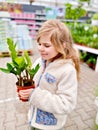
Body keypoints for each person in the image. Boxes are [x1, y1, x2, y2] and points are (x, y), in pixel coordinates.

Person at [18, 19, 80, 130]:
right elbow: (33, 84)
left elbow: (67, 104)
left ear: (62, 45)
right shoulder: (40, 61)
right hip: (33, 118)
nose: (41, 49)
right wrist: (25, 88)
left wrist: (34, 95)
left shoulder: (67, 70)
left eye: (47, 45)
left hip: (50, 126)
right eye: (39, 44)